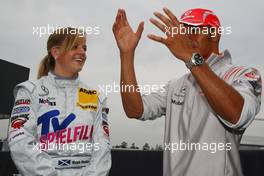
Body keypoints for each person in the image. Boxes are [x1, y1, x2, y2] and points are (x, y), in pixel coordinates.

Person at [113, 8, 262, 176]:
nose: (186, 37)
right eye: (183, 32)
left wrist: (190, 57)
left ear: (214, 34)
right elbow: (135, 110)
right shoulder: (176, 85)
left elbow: (238, 115)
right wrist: (126, 55)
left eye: (193, 30)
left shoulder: (242, 74)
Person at [8, 27, 111, 176]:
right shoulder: (30, 91)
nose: (82, 52)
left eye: (84, 48)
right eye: (75, 46)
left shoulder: (95, 96)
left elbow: (102, 148)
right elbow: (20, 142)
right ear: (55, 52)